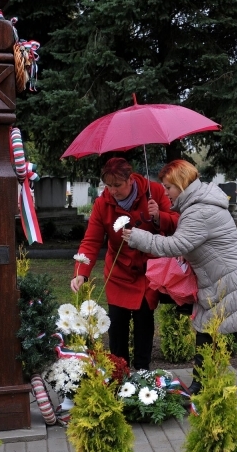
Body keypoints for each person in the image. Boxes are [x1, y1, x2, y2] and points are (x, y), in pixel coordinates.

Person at [122, 160, 237, 409]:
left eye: (169, 187)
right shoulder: (197, 205)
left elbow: (176, 245)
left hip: (232, 278)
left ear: (181, 185)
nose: (166, 192)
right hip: (218, 280)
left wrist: (139, 237)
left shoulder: (200, 210)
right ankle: (200, 384)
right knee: (204, 331)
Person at [70, 157, 179, 370]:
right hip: (118, 273)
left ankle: (142, 374)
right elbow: (91, 240)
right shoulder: (103, 203)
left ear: (131, 180)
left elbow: (177, 222)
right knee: (117, 326)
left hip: (148, 272)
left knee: (143, 323)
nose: (113, 191)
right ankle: (119, 372)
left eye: (117, 185)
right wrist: (81, 272)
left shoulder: (154, 192)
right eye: (108, 186)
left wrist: (159, 217)